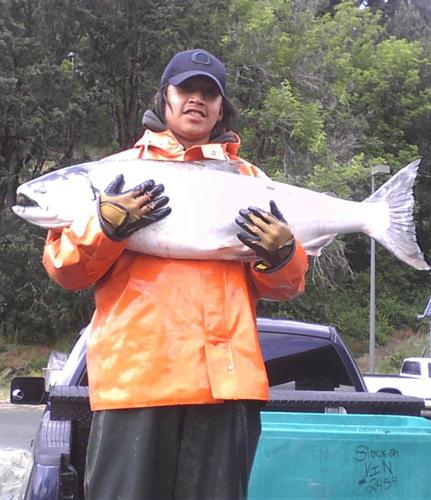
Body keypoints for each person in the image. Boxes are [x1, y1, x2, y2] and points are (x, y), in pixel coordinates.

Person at [42, 49, 308, 500]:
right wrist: (105, 228)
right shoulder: (115, 176)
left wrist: (284, 254)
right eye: (186, 89)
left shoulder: (252, 179)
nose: (197, 100)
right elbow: (65, 270)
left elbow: (286, 287)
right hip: (135, 383)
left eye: (210, 92)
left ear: (222, 106)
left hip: (226, 386)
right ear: (165, 96)